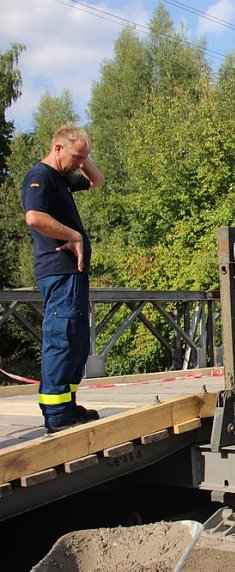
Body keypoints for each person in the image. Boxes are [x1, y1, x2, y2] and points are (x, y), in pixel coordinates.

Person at [21, 124, 105, 433]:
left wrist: (83, 157)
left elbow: (97, 181)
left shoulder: (61, 177)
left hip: (73, 273)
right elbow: (34, 217)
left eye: (83, 158)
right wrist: (73, 235)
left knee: (77, 342)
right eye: (76, 157)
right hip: (58, 271)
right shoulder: (40, 177)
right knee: (62, 338)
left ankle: (67, 406)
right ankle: (56, 415)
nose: (79, 164)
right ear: (57, 149)